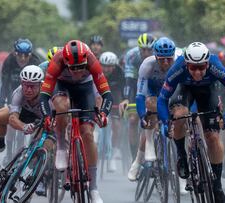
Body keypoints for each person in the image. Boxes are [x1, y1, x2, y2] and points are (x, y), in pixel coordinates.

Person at [157, 42, 225, 202]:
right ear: (186, 64)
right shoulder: (178, 68)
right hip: (184, 91)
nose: (197, 72)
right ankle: (182, 155)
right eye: (192, 68)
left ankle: (217, 185)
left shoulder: (215, 66)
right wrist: (165, 122)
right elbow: (162, 99)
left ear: (207, 63)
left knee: (213, 137)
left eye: (201, 67)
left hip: (207, 92)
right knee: (179, 115)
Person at [39, 40, 113, 203]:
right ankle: (61, 146)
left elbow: (106, 94)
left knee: (87, 133)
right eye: (73, 68)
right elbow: (44, 95)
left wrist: (103, 114)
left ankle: (93, 188)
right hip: (62, 86)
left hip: (84, 89)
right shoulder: (57, 61)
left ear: (86, 61)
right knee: (62, 105)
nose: (78, 72)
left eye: (81, 67)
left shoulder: (92, 60)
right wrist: (47, 116)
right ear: (65, 62)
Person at [127, 37, 178, 180]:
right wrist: (143, 115)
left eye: (169, 59)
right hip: (153, 91)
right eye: (162, 59)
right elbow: (140, 95)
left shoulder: (180, 63)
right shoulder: (147, 64)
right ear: (155, 56)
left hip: (172, 91)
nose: (166, 63)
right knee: (151, 113)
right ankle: (139, 159)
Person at [119, 33, 156, 165]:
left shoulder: (159, 54)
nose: (146, 53)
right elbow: (129, 81)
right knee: (133, 119)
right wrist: (127, 99)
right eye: (143, 50)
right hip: (137, 84)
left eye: (149, 50)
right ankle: (135, 156)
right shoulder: (132, 56)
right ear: (139, 48)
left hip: (154, 83)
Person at [98, 51, 124, 172]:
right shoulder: (96, 71)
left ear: (114, 66)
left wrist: (123, 102)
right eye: (104, 66)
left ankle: (113, 154)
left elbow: (124, 90)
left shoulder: (119, 72)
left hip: (114, 97)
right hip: (100, 96)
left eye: (110, 66)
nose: (107, 69)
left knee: (117, 126)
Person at [0, 38, 40, 108]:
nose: (22, 59)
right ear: (15, 54)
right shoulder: (9, 61)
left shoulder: (35, 62)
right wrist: (1, 104)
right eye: (20, 55)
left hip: (30, 95)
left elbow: (41, 85)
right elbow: (5, 84)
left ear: (30, 55)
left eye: (26, 55)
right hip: (13, 92)